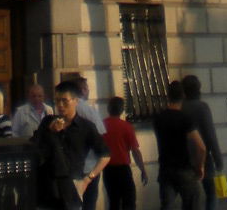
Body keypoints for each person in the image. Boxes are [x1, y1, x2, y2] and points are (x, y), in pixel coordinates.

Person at [34, 81, 109, 209]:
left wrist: (88, 179)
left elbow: (105, 155)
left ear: (75, 101)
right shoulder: (47, 122)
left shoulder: (86, 127)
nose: (60, 105)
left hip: (71, 187)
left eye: (65, 101)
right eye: (57, 101)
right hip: (48, 186)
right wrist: (50, 131)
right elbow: (35, 146)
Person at [153, 80, 205, 210]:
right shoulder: (185, 118)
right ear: (183, 96)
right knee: (193, 201)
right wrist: (200, 167)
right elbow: (201, 147)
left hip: (165, 169)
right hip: (184, 168)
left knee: (167, 205)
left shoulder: (158, 118)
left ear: (168, 96)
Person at [180, 75, 223, 208]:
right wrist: (218, 159)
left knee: (188, 197)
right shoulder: (202, 107)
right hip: (203, 158)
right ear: (199, 89)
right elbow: (210, 135)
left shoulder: (180, 108)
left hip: (184, 158)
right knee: (213, 192)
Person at [102, 97, 147, 210]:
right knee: (129, 201)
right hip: (123, 170)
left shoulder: (101, 125)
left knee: (114, 202)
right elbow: (135, 151)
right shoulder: (126, 127)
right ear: (122, 109)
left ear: (108, 108)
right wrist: (142, 169)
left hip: (107, 169)